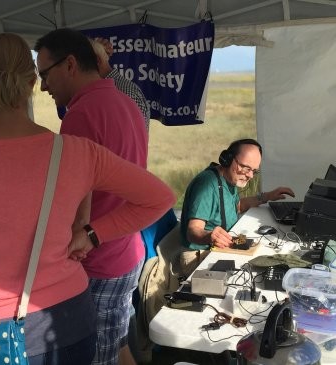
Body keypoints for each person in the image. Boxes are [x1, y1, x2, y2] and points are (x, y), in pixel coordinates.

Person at [0, 33, 175, 365]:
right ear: (30, 83)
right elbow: (160, 198)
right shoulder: (74, 151)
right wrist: (92, 234)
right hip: (69, 318)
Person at [34, 28, 151, 365]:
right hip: (125, 247)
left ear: (70, 64)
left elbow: (75, 203)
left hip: (99, 256)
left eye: (45, 74)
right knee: (117, 345)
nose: (43, 87)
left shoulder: (81, 116)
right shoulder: (125, 101)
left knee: (99, 357)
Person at [179, 138, 295, 275]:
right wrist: (209, 236)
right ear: (227, 159)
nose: (250, 175)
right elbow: (192, 231)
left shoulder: (229, 179)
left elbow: (236, 206)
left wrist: (267, 196)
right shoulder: (207, 185)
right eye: (246, 168)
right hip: (199, 256)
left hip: (218, 249)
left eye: (254, 171)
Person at [90, 37, 151, 130]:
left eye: (83, 64)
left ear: (97, 61)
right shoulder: (118, 89)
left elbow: (131, 138)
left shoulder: (123, 91)